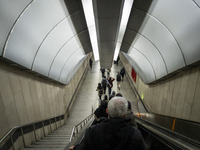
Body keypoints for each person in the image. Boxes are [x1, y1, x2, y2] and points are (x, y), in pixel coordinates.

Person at [69, 97, 146, 150]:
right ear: (125, 115)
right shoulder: (135, 134)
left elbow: (84, 148)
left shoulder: (91, 132)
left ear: (107, 111)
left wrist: (75, 148)